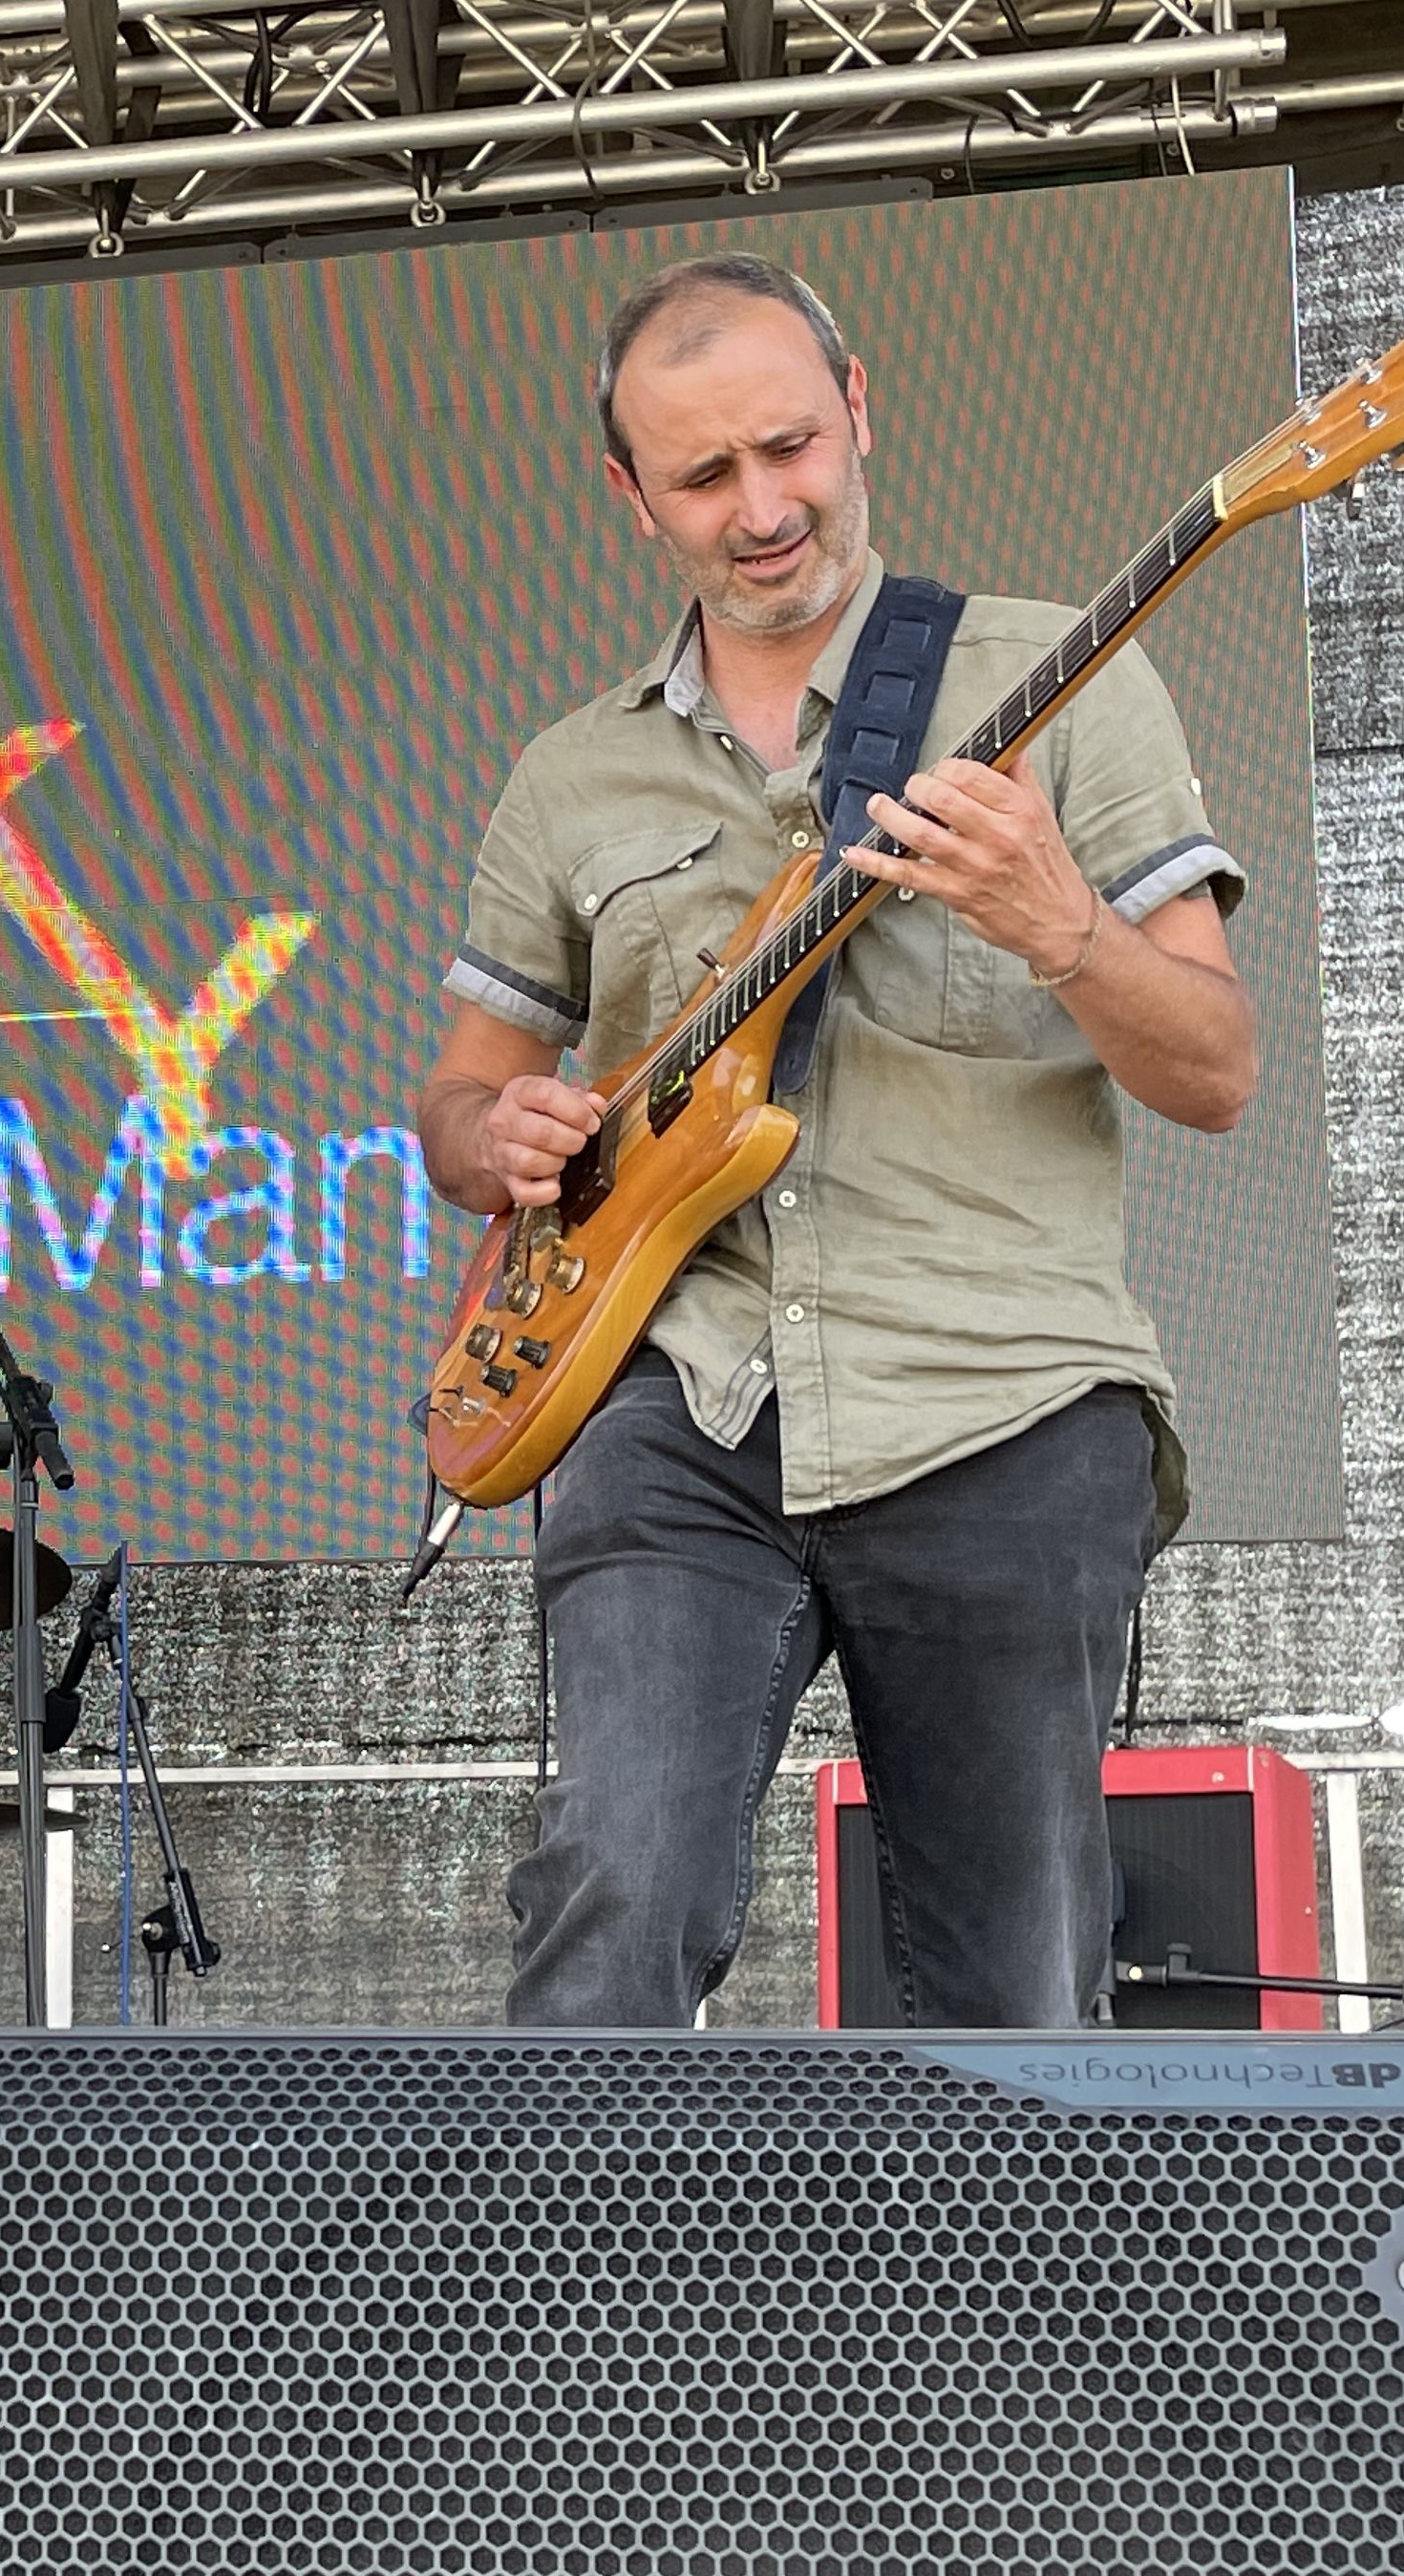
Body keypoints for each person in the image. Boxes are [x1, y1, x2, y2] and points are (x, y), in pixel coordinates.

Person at [418, 255, 1257, 2033]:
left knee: (1013, 1988)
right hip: (678, 1390)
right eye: (702, 476)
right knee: (612, 1894)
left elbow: (1213, 1070)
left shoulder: (1061, 678)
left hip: (1002, 1398)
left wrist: (1057, 922)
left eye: (786, 446)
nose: (761, 507)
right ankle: (580, 2318)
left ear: (857, 411)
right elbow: (456, 1098)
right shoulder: (571, 774)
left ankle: (1010, 2324)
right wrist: (497, 1127)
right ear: (628, 495)